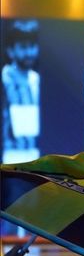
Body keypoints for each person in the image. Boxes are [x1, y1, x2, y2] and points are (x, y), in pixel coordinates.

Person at [1, 19, 40, 164]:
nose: (29, 52)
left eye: (32, 46)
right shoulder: (4, 79)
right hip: (10, 155)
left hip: (35, 154)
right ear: (10, 51)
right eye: (23, 47)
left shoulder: (37, 80)